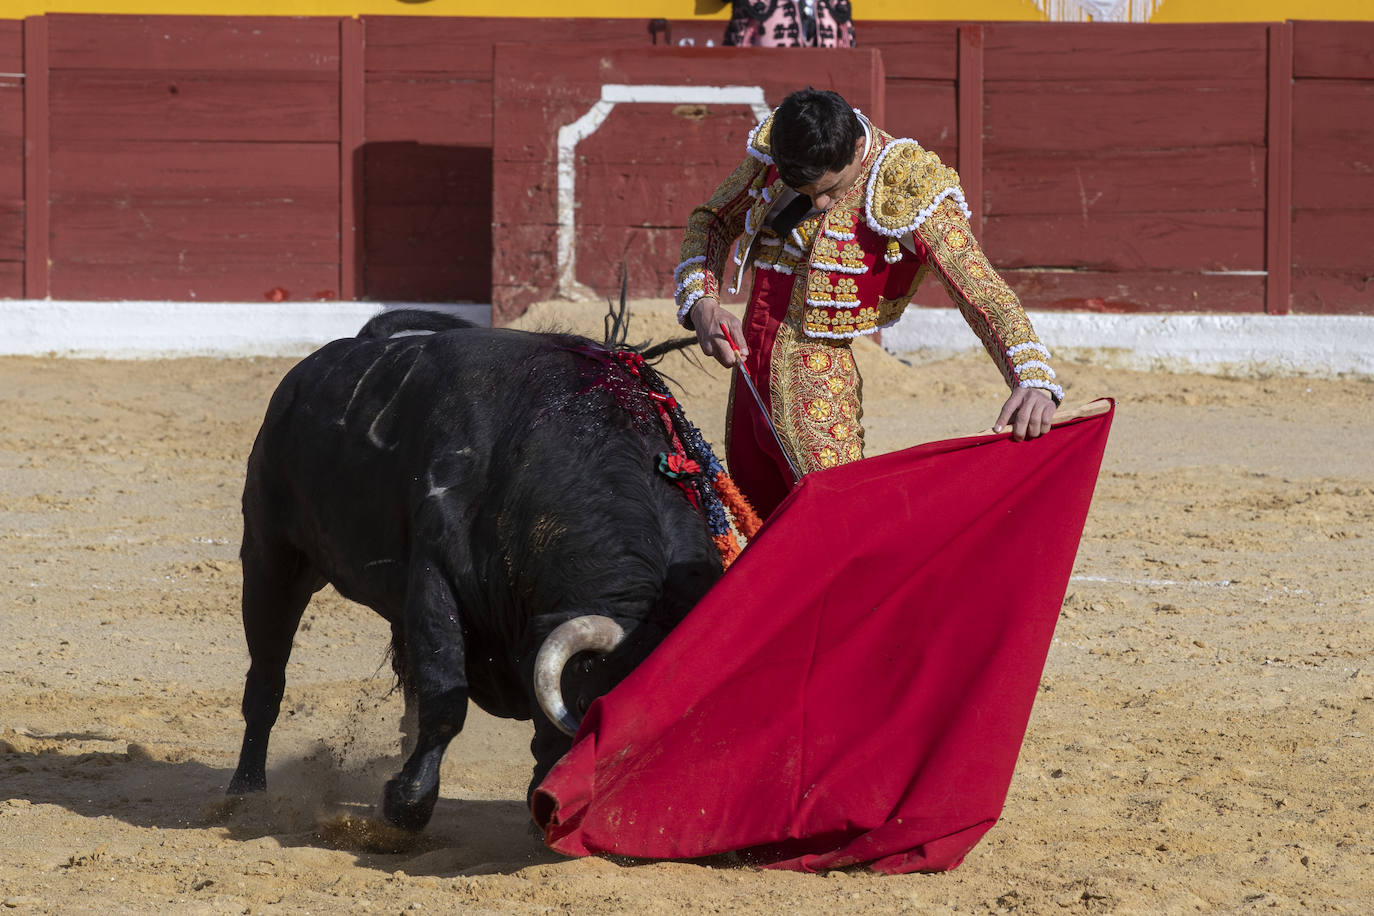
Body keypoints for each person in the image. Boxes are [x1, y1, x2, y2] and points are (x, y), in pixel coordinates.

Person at [673, 87, 1061, 518]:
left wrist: (1032, 377)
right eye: (802, 190)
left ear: (859, 147)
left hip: (816, 383)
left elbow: (979, 286)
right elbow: (711, 220)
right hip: (746, 376)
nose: (818, 204)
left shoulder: (906, 181)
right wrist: (702, 301)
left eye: (829, 189)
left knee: (839, 521)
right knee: (758, 526)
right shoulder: (782, 145)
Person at [722, 1, 856, 49]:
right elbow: (737, 53)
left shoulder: (836, 4)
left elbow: (848, 54)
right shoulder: (754, 3)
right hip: (769, 88)